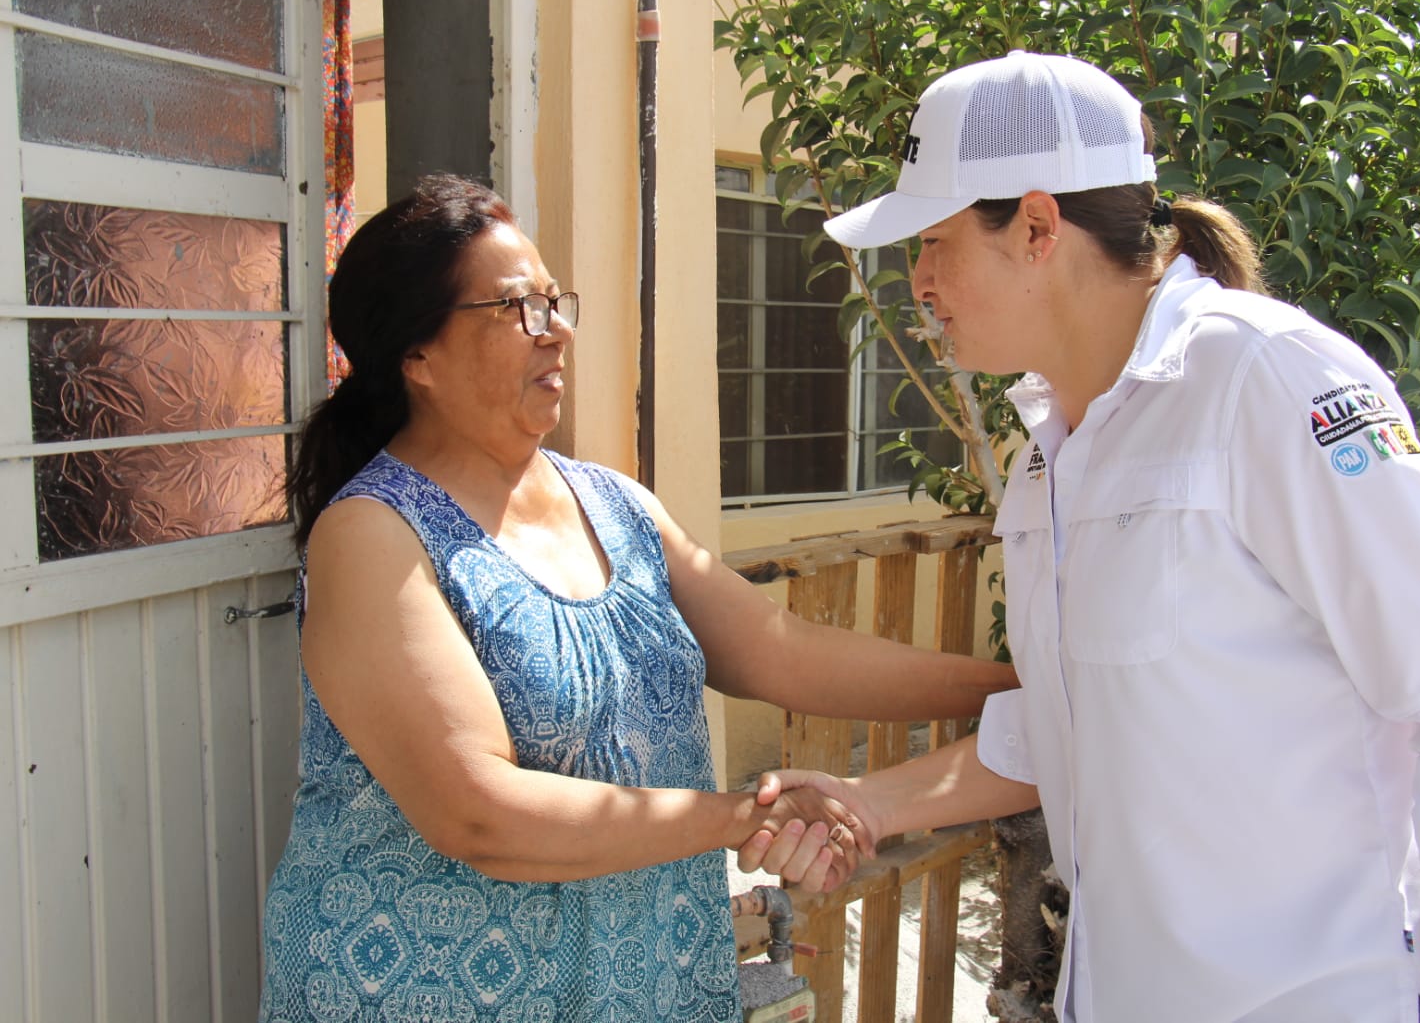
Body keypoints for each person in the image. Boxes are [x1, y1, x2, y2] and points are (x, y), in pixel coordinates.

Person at [742, 52, 1420, 1022]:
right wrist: (869, 802)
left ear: (1038, 227)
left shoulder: (1265, 378)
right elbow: (1077, 726)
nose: (918, 281)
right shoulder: (1053, 448)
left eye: (934, 241)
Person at [257, 175, 1016, 1022]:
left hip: (647, 983)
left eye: (556, 302)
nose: (557, 330)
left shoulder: (614, 506)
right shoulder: (372, 536)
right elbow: (478, 815)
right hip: (432, 993)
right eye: (518, 309)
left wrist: (1015, 688)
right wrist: (744, 818)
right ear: (416, 358)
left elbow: (782, 653)